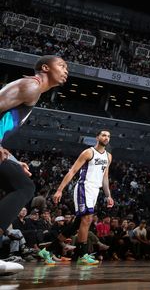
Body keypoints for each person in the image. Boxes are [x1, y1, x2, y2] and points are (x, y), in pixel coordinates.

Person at [0, 55, 69, 275]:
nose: (66, 70)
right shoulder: (32, 85)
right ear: (45, 68)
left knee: (19, 182)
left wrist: (11, 159)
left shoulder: (33, 90)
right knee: (23, 187)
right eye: (62, 65)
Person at [51, 129, 113, 266]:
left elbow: (105, 177)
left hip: (95, 190)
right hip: (84, 188)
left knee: (76, 225)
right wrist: (59, 190)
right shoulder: (88, 152)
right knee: (87, 219)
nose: (106, 137)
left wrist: (108, 195)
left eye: (108, 136)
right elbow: (72, 171)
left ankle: (48, 250)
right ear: (97, 137)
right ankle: (82, 254)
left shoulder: (108, 156)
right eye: (103, 135)